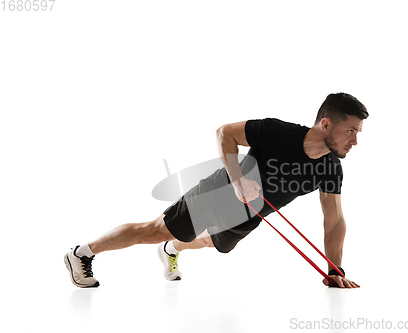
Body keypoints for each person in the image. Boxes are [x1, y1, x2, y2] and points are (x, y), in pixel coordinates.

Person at [64, 93, 367, 289]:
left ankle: (171, 250)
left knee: (211, 244)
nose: (354, 141)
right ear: (326, 124)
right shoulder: (278, 132)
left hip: (250, 216)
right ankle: (82, 253)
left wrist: (335, 268)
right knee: (154, 230)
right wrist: (237, 180)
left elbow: (334, 220)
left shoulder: (330, 168)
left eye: (358, 133)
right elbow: (225, 133)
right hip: (217, 194)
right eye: (350, 130)